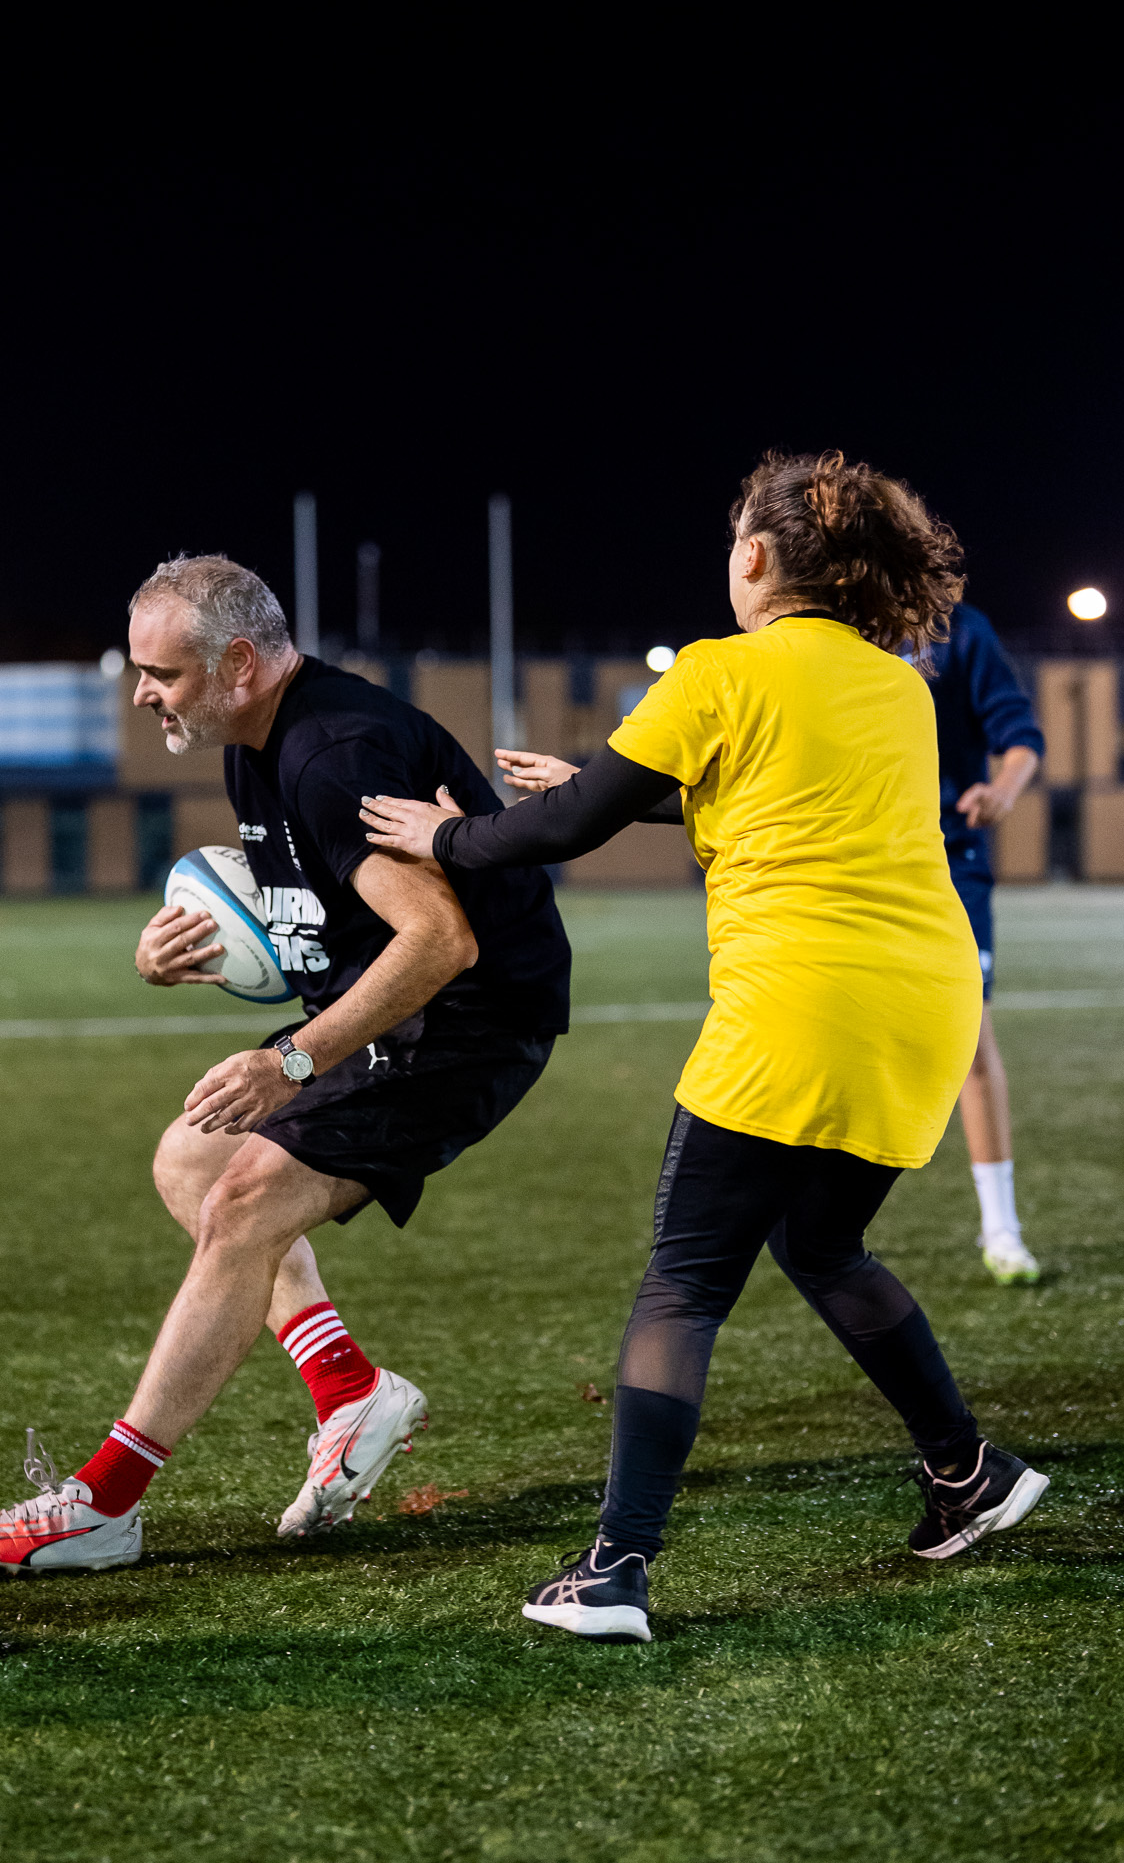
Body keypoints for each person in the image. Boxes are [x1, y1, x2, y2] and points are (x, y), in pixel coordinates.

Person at [361, 451, 1050, 1644]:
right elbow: (772, 789)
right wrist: (596, 784)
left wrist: (450, 834)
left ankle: (616, 1567)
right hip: (925, 1005)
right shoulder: (896, 684)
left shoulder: (718, 669)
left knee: (684, 1280)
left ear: (757, 556)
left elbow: (568, 828)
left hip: (800, 1007)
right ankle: (968, 1470)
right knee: (822, 1242)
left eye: (735, 537)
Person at [0, 555, 570, 1574]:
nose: (142, 693)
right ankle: (350, 1391)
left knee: (242, 1199)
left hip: (466, 1019)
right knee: (192, 1160)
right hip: (398, 1008)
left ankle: (102, 1504)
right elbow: (326, 920)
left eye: (163, 673)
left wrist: (293, 1059)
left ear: (238, 663)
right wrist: (185, 950)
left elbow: (439, 940)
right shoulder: (255, 741)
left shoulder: (332, 751)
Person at [926, 606, 1045, 1284]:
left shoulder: (959, 630)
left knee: (969, 1039)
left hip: (949, 854)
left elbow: (1020, 735)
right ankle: (808, 1222)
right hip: (852, 858)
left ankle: (1001, 1228)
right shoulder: (831, 621)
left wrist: (1002, 789)